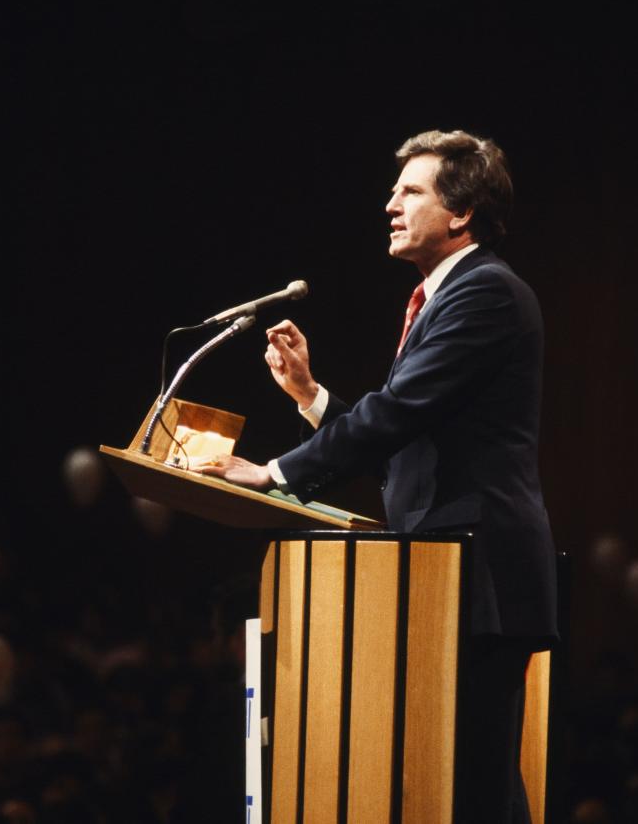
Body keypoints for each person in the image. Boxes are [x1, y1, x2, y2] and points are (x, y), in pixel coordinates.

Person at [195, 129, 557, 822]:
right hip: (442, 575)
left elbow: (398, 414)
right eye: (394, 191)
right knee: (458, 788)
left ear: (461, 212)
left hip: (477, 577)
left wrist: (274, 474)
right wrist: (311, 398)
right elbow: (408, 435)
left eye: (411, 191)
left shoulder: (487, 294)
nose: (390, 205)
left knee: (476, 788)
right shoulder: (443, 296)